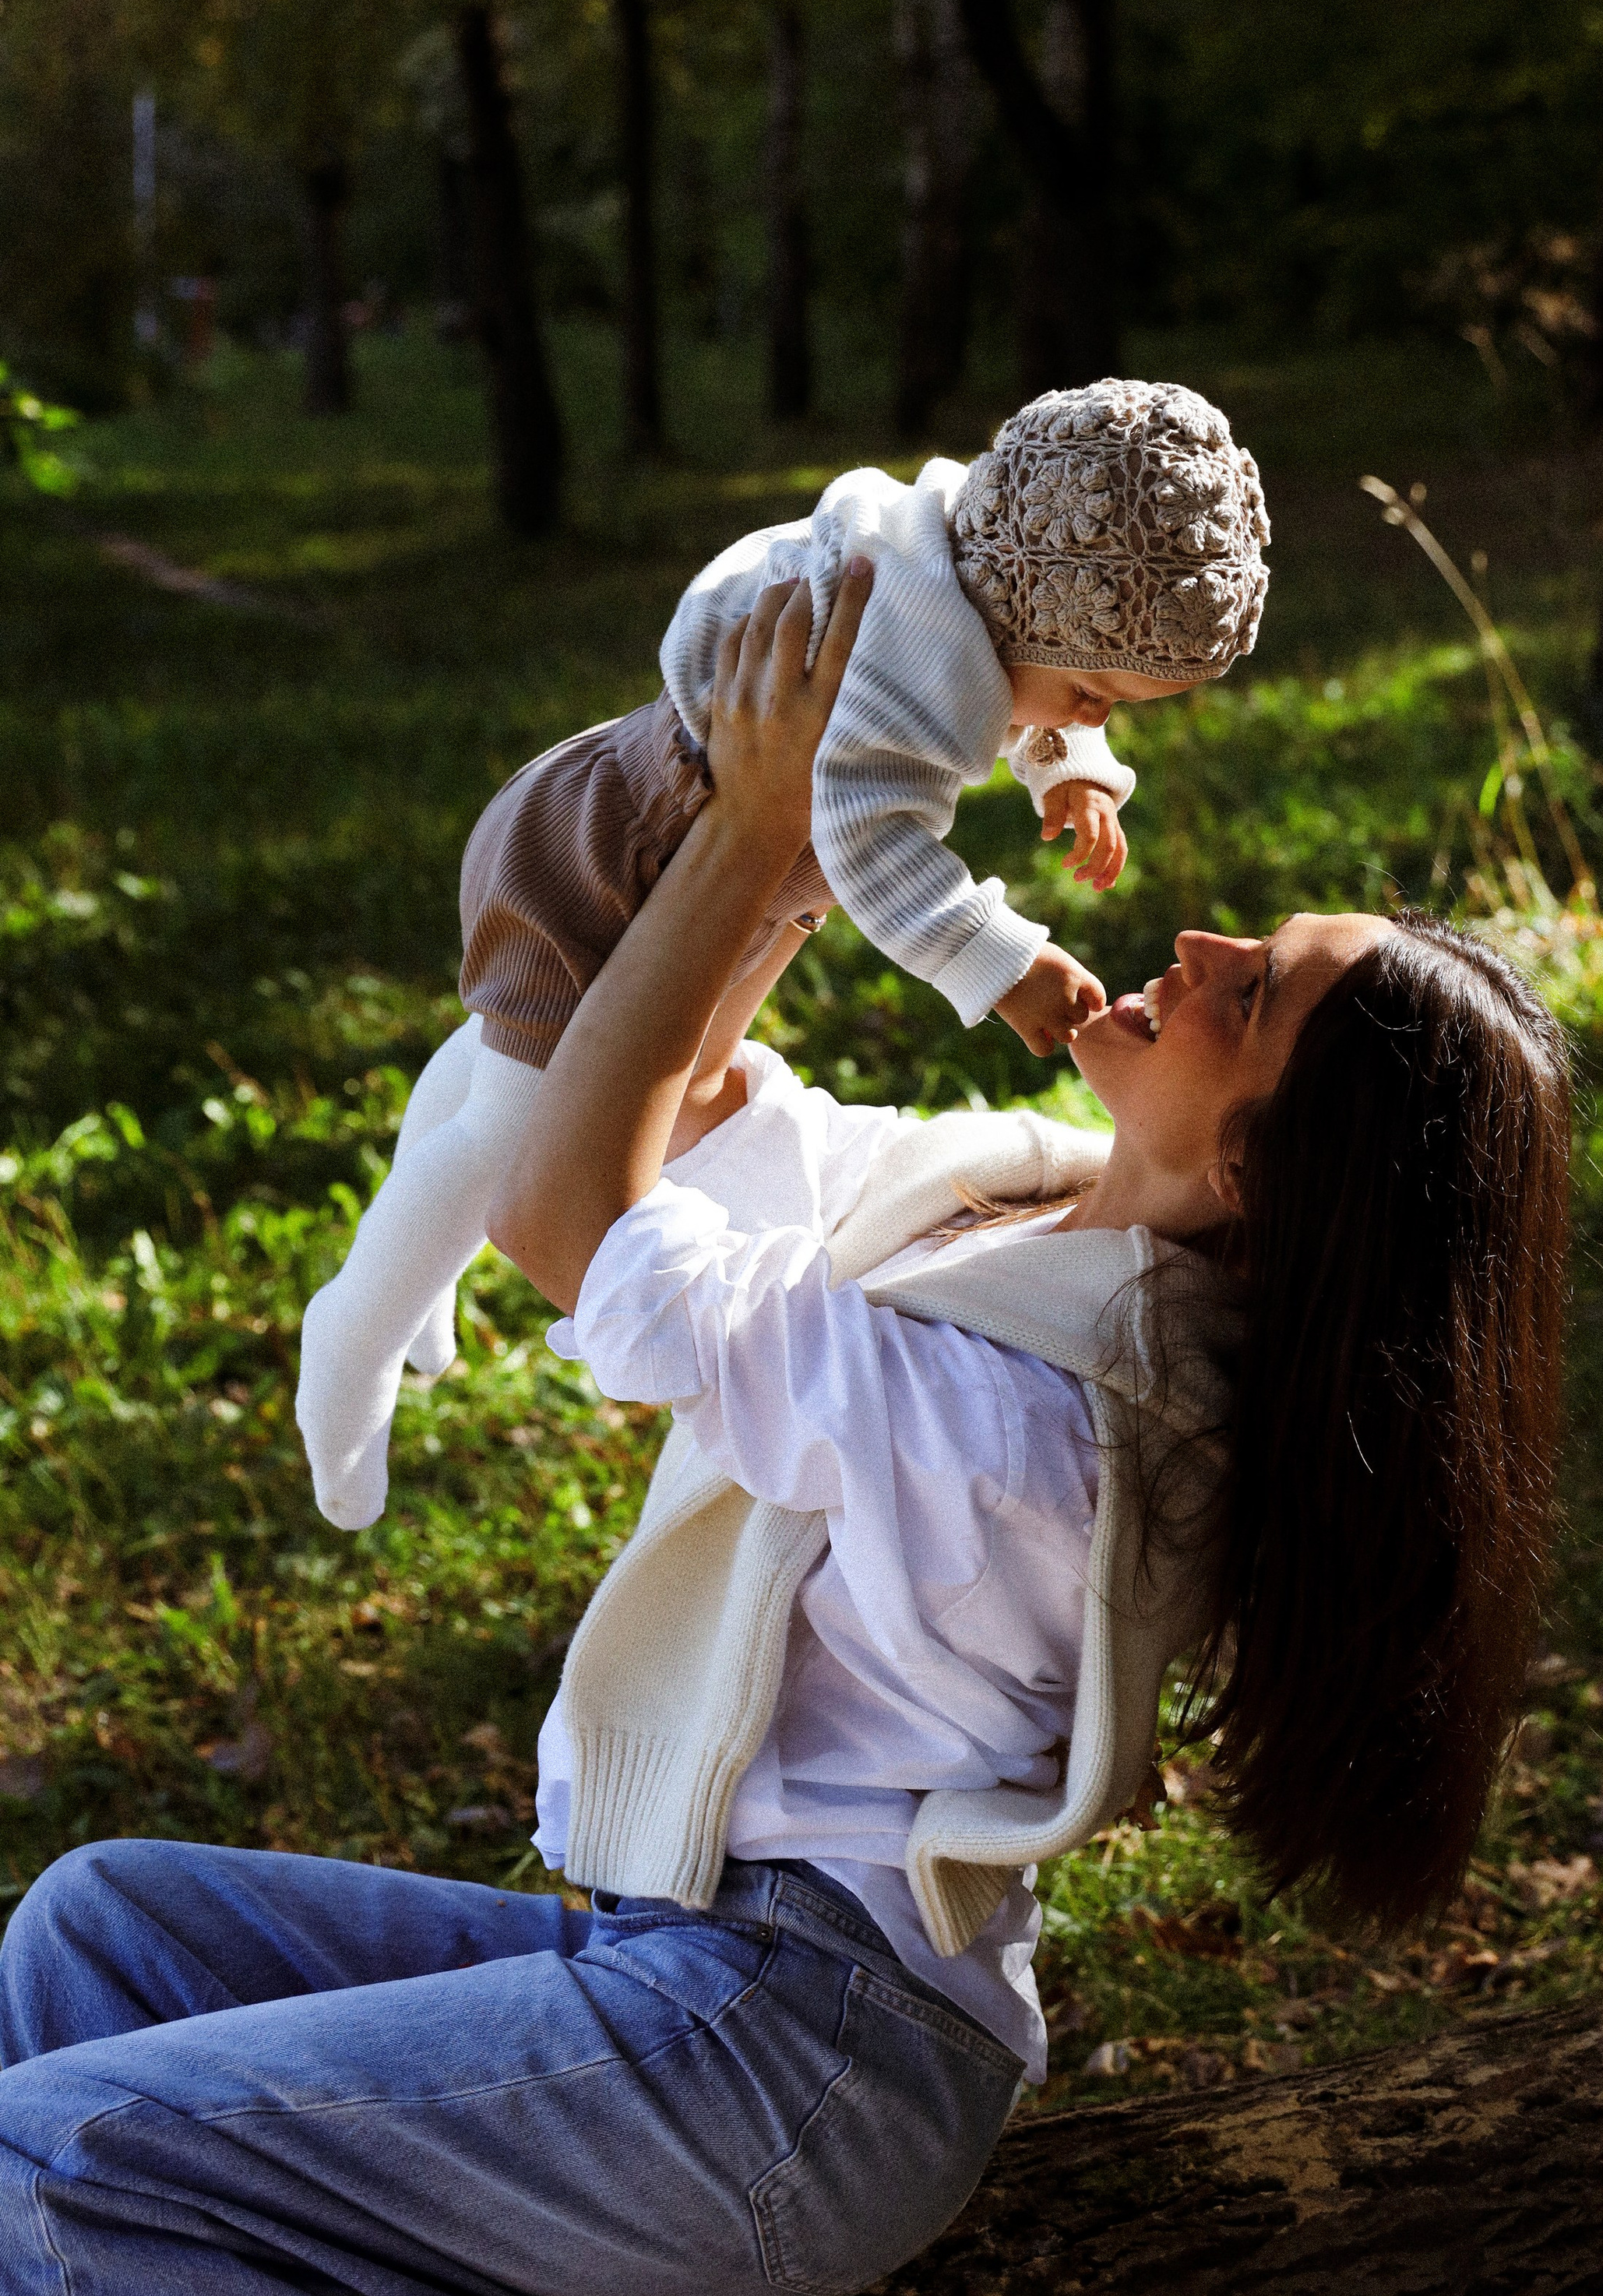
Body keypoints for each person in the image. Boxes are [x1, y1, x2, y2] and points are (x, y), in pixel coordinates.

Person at [0, 568, 1569, 2296]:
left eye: (1250, 992)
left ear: (1260, 1168)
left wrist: (753, 841)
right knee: (100, 1935)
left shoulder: (1039, 1417)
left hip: (785, 2065)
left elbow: (574, 1219)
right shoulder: (1025, 1208)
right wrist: (808, 828)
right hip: (691, 1969)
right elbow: (704, 1121)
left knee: (49, 2161)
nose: (1196, 940)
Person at [295, 375, 1272, 1532]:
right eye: (1091, 696)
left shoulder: (962, 571)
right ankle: (352, 1331)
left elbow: (1025, 676)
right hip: (614, 859)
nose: (1093, 719)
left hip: (673, 836)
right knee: (512, 1127)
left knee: (505, 1058)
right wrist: (1000, 963)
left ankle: (416, 1273)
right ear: (1026, 626)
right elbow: (870, 846)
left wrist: (1067, 768)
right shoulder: (906, 665)